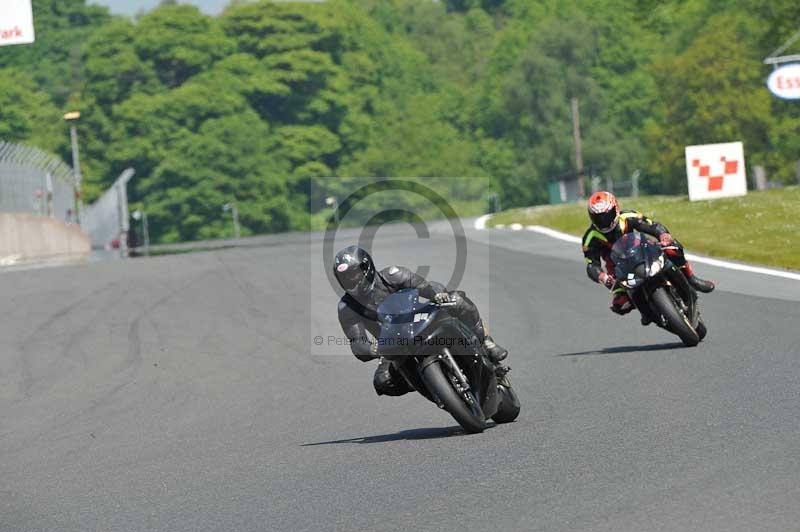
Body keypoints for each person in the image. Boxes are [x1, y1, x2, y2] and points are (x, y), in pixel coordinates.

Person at [334, 245, 508, 396]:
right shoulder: (347, 307)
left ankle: (485, 342)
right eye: (345, 278)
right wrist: (372, 349)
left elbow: (426, 287)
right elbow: (357, 342)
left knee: (458, 300)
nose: (351, 280)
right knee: (383, 381)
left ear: (367, 268)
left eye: (354, 274)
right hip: (393, 344)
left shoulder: (394, 276)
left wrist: (437, 295)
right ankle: (429, 384)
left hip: (421, 320)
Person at [582, 191, 715, 318]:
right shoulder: (590, 237)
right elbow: (591, 265)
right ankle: (647, 311)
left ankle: (691, 278)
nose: (604, 221)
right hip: (618, 268)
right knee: (620, 305)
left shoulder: (628, 217)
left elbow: (652, 225)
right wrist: (603, 277)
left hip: (644, 251)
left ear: (616, 209)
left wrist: (663, 235)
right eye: (598, 218)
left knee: (672, 247)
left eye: (607, 215)